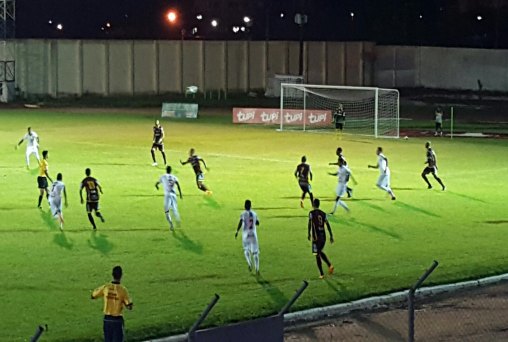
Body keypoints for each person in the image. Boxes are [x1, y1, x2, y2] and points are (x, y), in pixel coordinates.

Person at [92, 266, 133, 342]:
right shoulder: (122, 290)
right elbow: (129, 306)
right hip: (117, 321)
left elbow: (93, 295)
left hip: (107, 320)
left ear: (112, 274)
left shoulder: (106, 287)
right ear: (121, 275)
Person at [308, 198, 334, 279]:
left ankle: (323, 273)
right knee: (319, 252)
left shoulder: (311, 213)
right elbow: (328, 225)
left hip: (316, 237)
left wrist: (308, 233)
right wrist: (331, 235)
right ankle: (328, 267)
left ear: (313, 204)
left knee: (317, 254)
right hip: (323, 236)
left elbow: (310, 223)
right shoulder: (323, 213)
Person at [235, 200, 260, 275]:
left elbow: (240, 222)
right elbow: (257, 223)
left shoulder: (243, 214)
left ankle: (249, 263)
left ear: (244, 206)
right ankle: (257, 268)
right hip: (253, 234)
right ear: (251, 206)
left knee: (246, 250)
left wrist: (237, 231)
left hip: (246, 234)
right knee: (255, 252)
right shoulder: (254, 214)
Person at [155, 165, 182, 231]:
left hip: (167, 195)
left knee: (167, 211)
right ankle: (178, 220)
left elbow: (157, 183)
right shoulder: (174, 177)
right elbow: (178, 185)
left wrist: (157, 186)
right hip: (174, 195)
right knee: (175, 209)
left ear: (166, 170)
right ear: (171, 170)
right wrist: (180, 194)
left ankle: (171, 225)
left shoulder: (163, 176)